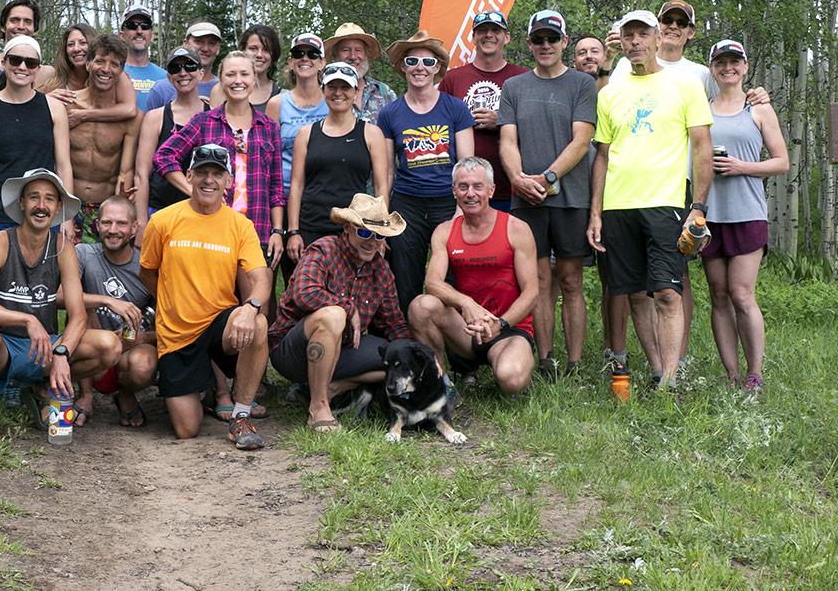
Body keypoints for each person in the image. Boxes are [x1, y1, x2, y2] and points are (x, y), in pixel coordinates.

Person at [588, 10, 713, 389]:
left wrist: (699, 208)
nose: (636, 42)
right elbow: (603, 155)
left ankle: (673, 378)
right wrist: (595, 212)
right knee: (634, 294)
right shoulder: (610, 94)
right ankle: (659, 372)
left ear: (658, 38)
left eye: (643, 34)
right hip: (618, 206)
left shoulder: (685, 86)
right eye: (629, 36)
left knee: (666, 291)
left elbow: (702, 147)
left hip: (667, 204)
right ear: (621, 42)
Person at [0, 169, 121, 433]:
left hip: (44, 349)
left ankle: (42, 388)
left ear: (58, 208)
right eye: (34, 197)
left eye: (49, 199)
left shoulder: (63, 247)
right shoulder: (1, 241)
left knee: (110, 345)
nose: (41, 205)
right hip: (1, 348)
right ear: (21, 203)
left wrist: (61, 353)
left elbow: (78, 316)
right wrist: (26, 318)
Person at [140, 144, 271, 449]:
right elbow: (147, 272)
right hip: (177, 334)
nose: (208, 180)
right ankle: (207, 389)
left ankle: (240, 414)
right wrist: (172, 299)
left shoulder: (240, 225)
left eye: (217, 173)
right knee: (187, 430)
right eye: (201, 172)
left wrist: (250, 308)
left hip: (219, 326)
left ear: (229, 181)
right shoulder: (162, 221)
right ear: (189, 176)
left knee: (259, 324)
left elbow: (261, 277)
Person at [498, 10, 595, 378]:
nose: (545, 45)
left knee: (570, 279)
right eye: (538, 39)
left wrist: (549, 177)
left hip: (571, 196)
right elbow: (508, 140)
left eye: (552, 38)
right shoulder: (515, 87)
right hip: (525, 198)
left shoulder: (581, 85)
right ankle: (546, 360)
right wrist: (518, 178)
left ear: (564, 43)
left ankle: (574, 362)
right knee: (537, 281)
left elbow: (582, 139)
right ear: (528, 44)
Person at [269, 194, 411, 433]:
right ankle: (318, 408)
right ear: (347, 228)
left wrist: (417, 355)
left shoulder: (381, 269)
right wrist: (348, 308)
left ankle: (332, 388)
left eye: (379, 235)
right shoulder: (324, 250)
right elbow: (304, 294)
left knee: (400, 360)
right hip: (292, 352)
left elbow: (394, 323)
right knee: (333, 315)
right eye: (364, 232)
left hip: (344, 350)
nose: (372, 241)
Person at [409, 157, 539, 395]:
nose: (470, 194)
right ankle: (439, 384)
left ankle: (518, 363)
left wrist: (502, 324)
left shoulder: (516, 228)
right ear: (453, 191)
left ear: (491, 190)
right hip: (466, 330)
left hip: (508, 328)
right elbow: (432, 283)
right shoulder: (445, 231)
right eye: (463, 186)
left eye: (478, 186)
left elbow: (532, 292)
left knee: (510, 380)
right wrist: (466, 303)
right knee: (420, 306)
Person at [701, 40, 788, 391]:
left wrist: (742, 167)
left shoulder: (759, 109)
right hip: (709, 214)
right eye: (721, 62)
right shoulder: (702, 108)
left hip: (747, 212)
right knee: (718, 295)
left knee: (741, 293)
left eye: (734, 62)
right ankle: (731, 374)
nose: (728, 68)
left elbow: (782, 162)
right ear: (712, 68)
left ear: (745, 67)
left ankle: (755, 374)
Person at [154, 51, 285, 262]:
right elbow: (164, 156)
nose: (238, 81)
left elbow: (276, 186)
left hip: (257, 230)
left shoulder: (269, 127)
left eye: (244, 74)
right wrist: (192, 190)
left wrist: (278, 231)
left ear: (254, 79)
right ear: (221, 79)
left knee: (257, 293)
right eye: (231, 74)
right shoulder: (204, 122)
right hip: (212, 231)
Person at [377, 31, 475, 310]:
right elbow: (386, 174)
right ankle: (408, 346)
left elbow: (467, 166)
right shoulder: (390, 114)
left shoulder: (456, 109)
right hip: (407, 205)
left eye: (427, 62)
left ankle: (456, 346)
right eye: (412, 60)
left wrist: (462, 210)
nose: (420, 67)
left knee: (452, 278)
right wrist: (383, 222)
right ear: (402, 67)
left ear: (438, 69)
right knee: (405, 280)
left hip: (448, 202)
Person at [0, 35, 72, 245]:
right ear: (4, 63)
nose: (22, 67)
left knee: (45, 278)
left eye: (30, 62)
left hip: (44, 214)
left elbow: (63, 166)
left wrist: (66, 219)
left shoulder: (54, 109)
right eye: (16, 60)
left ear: (37, 69)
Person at [285, 62, 391, 261]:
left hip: (356, 230)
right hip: (312, 227)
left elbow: (381, 187)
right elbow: (297, 185)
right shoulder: (306, 134)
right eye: (332, 87)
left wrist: (379, 232)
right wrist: (293, 231)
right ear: (323, 89)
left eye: (345, 87)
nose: (338, 93)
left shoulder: (371, 134)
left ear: (355, 91)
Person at [75, 196, 156, 427]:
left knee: (143, 366)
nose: (113, 230)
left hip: (129, 348)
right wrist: (107, 301)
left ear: (134, 228)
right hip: (90, 344)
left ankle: (125, 393)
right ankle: (86, 394)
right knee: (80, 304)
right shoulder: (83, 253)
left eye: (121, 224)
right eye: (107, 223)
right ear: (97, 224)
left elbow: (168, 320)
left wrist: (143, 337)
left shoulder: (147, 266)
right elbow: (60, 296)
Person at [573, 32, 627, 372]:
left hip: (614, 192)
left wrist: (607, 65)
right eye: (582, 52)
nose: (589, 56)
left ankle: (614, 347)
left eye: (595, 51)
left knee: (614, 277)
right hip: (575, 193)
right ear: (573, 59)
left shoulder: (615, 85)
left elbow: (606, 95)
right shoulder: (571, 88)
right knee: (568, 275)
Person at [438, 9, 526, 210]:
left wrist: (502, 122)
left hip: (510, 184)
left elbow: (536, 129)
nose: (489, 35)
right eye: (482, 30)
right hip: (464, 189)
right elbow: (439, 128)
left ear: (507, 37)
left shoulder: (522, 78)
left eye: (495, 30)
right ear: (473, 37)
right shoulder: (453, 78)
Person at [67, 34, 141, 242]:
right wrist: (65, 213)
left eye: (114, 64)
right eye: (100, 61)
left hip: (107, 213)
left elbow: (125, 171)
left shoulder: (130, 119)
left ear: (121, 70)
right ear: (88, 64)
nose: (106, 69)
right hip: (68, 205)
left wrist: (122, 203)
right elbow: (58, 162)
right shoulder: (67, 106)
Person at [134, 46, 209, 239]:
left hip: (203, 213)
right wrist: (142, 222)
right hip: (160, 210)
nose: (183, 72)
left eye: (190, 66)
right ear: (169, 78)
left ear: (200, 73)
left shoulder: (213, 116)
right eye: (176, 68)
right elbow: (142, 174)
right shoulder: (155, 118)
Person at [265, 32, 329, 203]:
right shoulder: (277, 104)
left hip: (324, 195)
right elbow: (269, 157)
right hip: (285, 195)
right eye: (298, 54)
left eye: (313, 54)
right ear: (291, 62)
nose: (305, 59)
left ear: (322, 62)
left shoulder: (333, 101)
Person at [39, 21, 139, 123]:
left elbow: (129, 110)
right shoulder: (55, 82)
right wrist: (45, 100)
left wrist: (84, 115)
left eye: (83, 43)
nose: (76, 49)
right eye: (70, 44)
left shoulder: (113, 75)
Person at [142, 20, 224, 111]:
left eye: (211, 43)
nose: (205, 48)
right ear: (185, 44)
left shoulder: (225, 89)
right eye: (198, 41)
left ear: (218, 49)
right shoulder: (161, 90)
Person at [324, 22, 396, 123]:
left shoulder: (384, 92)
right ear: (334, 55)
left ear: (366, 55)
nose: (353, 56)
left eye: (358, 50)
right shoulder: (325, 94)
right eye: (345, 50)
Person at [0, 0, 56, 84]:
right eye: (14, 20)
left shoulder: (47, 75)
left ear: (35, 29)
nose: (21, 26)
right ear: (3, 27)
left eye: (27, 21)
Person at [119, 5, 167, 98]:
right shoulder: (112, 74)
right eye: (132, 25)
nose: (139, 31)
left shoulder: (166, 77)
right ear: (122, 36)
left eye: (145, 26)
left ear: (152, 36)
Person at [241, 23, 283, 108]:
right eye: (253, 48)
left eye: (266, 50)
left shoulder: (282, 96)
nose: (259, 55)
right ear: (243, 51)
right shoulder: (223, 90)